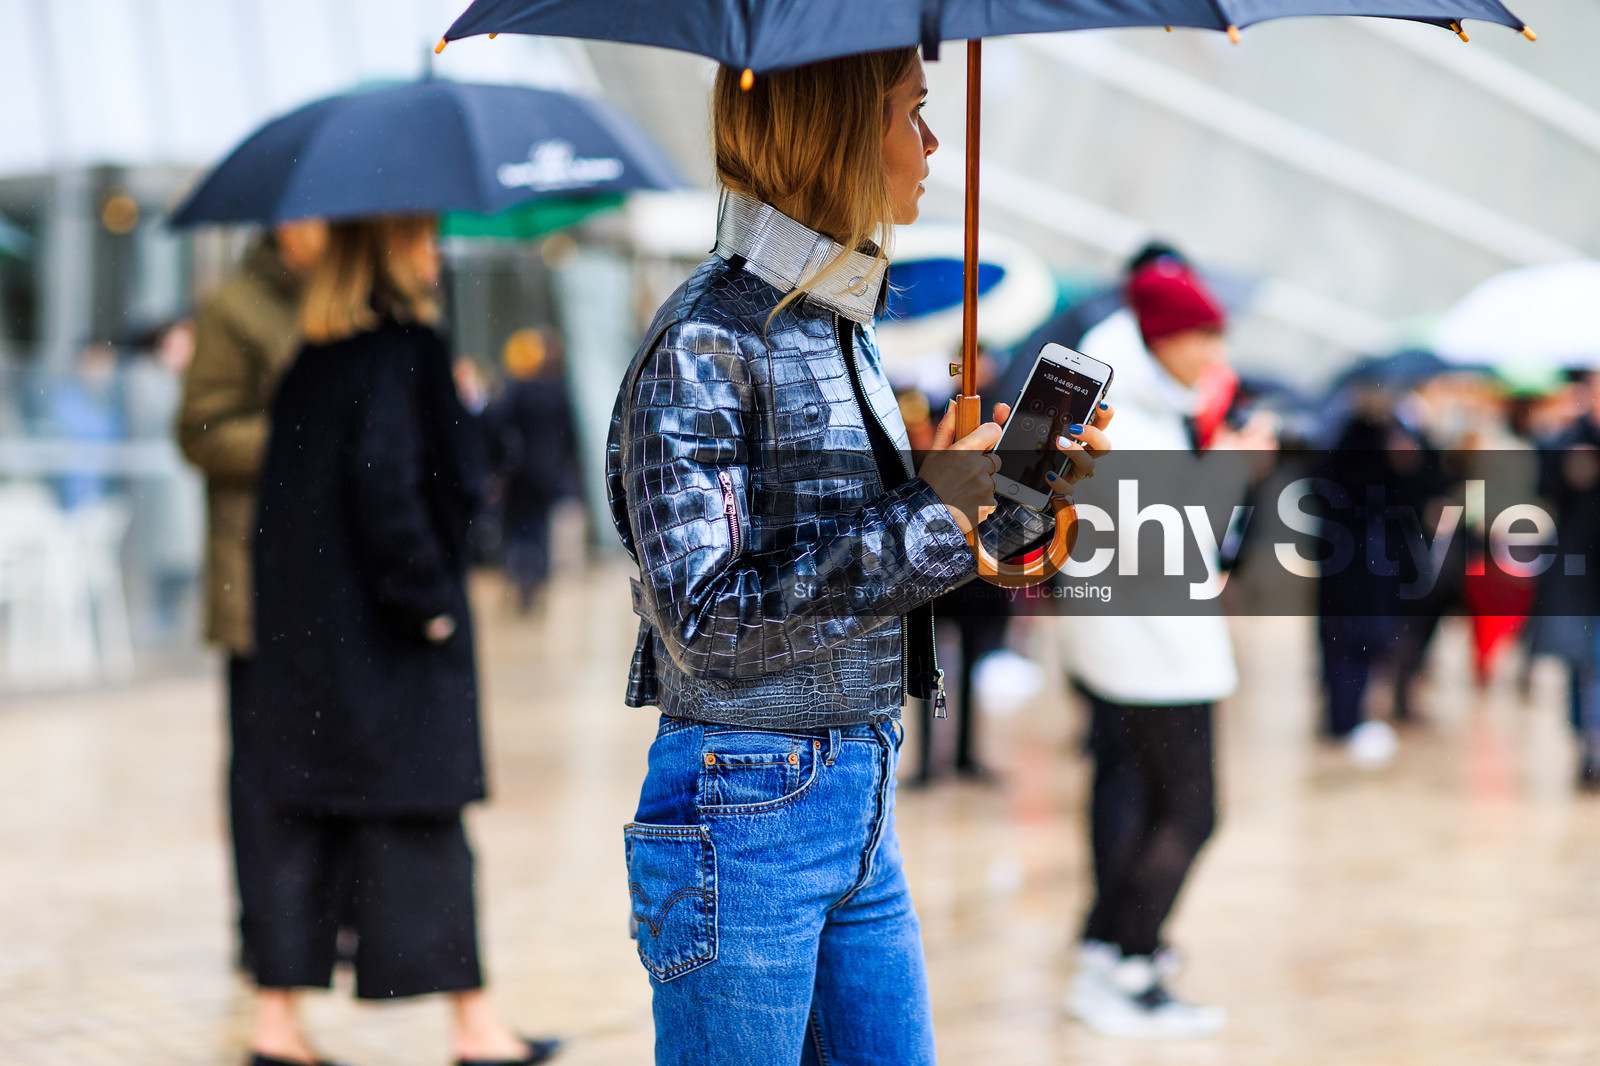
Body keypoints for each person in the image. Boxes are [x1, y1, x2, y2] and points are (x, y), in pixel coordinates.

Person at [606, 51, 1111, 1065]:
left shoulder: (837, 324)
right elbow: (705, 620)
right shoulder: (707, 337)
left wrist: (1019, 499)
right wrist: (935, 508)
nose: (930, 144)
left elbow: (884, 561)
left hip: (853, 786)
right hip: (745, 801)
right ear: (834, 132)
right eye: (911, 114)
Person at [250, 216, 559, 1066]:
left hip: (310, 650)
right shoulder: (408, 350)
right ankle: (475, 1026)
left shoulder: (310, 363)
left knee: (304, 825)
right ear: (385, 249)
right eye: (421, 236)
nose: (436, 252)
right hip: (390, 645)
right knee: (426, 824)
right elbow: (397, 486)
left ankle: (276, 1026)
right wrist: (428, 601)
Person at [1058, 256, 1267, 1039]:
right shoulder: (1129, 417)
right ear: (1163, 335)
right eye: (1203, 337)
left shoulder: (1137, 400)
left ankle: (1108, 950)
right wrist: (1237, 469)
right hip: (1153, 650)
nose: (1215, 354)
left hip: (1135, 642)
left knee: (1141, 799)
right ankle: (1130, 965)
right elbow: (1172, 539)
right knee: (1193, 810)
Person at [178, 218, 327, 974]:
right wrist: (300, 436)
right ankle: (263, 928)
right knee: (261, 767)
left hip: (330, 580)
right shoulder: (233, 306)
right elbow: (200, 431)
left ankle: (316, 923)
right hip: (254, 579)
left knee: (324, 756)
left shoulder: (338, 299)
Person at [484, 327, 580, 613]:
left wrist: (497, 463)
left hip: (520, 471)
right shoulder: (559, 391)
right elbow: (570, 435)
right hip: (548, 473)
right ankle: (534, 577)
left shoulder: (517, 390)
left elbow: (496, 425)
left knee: (518, 527)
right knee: (538, 528)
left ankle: (520, 573)